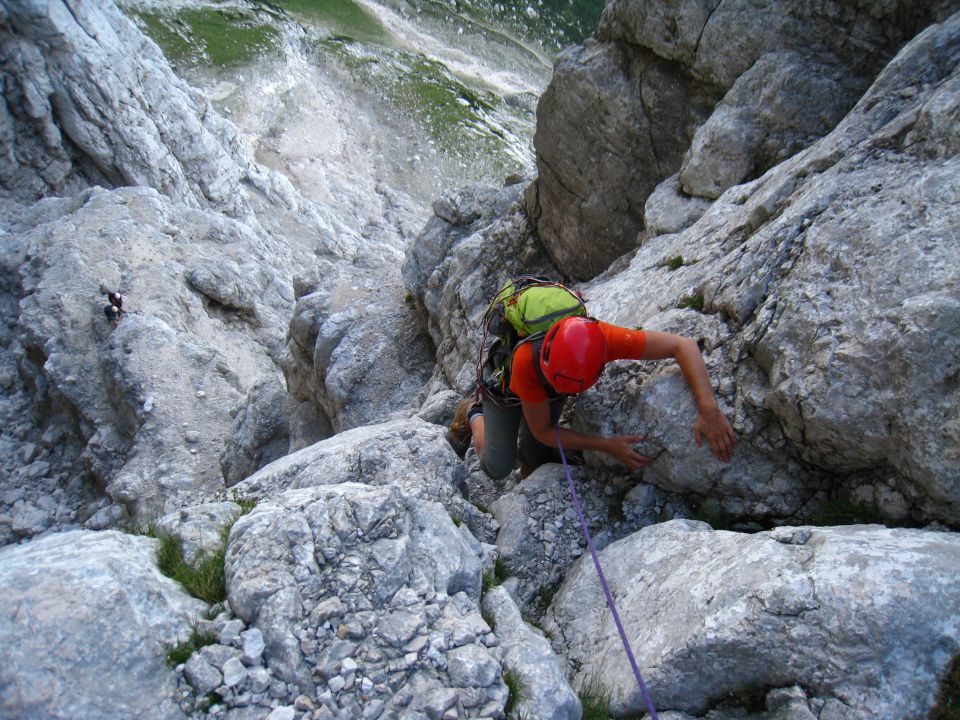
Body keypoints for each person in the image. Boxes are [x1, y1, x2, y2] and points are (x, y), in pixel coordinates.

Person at [447, 315, 736, 479]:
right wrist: (606, 446)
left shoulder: (601, 339)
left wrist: (709, 410)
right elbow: (545, 431)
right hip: (506, 385)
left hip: (545, 384)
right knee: (497, 467)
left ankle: (528, 476)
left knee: (535, 458)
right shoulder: (526, 361)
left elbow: (682, 346)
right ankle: (473, 411)